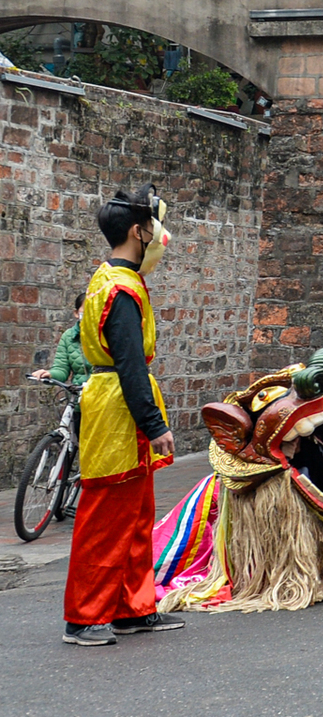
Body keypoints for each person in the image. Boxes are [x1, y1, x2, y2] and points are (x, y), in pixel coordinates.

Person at [62, 187, 181, 647]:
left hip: (114, 403)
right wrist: (155, 425)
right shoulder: (121, 289)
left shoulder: (106, 278)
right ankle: (84, 617)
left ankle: (133, 608)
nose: (157, 234)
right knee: (106, 519)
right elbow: (131, 363)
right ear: (138, 231)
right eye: (152, 226)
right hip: (118, 411)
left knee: (134, 518)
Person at [31, 294, 92, 385]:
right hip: (80, 394)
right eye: (86, 309)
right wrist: (49, 374)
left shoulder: (111, 334)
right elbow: (61, 369)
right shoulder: (68, 336)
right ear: (76, 313)